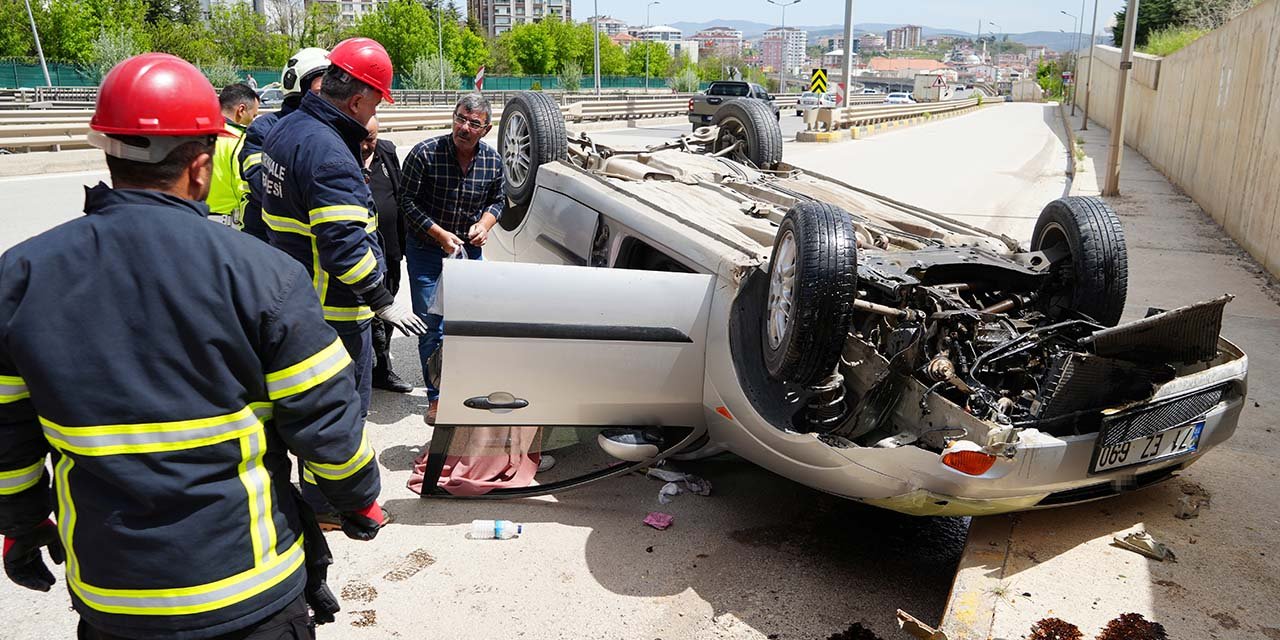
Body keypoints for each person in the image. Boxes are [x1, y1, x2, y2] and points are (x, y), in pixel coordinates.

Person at [0, 53, 384, 640]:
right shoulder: (266, 277)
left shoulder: (20, 277)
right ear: (201, 168)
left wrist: (22, 526)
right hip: (249, 589)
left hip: (113, 595)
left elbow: (9, 443)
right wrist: (357, 500)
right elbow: (326, 423)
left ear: (109, 151)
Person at [398, 94, 504, 423]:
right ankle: (438, 397)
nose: (464, 127)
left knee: (470, 323)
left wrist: (484, 225)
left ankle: (466, 387)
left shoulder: (492, 161)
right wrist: (440, 235)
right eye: (460, 118)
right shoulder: (424, 153)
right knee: (432, 324)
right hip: (427, 250)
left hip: (468, 253)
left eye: (474, 123)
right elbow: (407, 203)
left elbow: (499, 201)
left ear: (485, 130)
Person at [239, 47, 330, 242]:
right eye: (322, 90)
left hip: (318, 251)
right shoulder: (264, 129)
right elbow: (261, 185)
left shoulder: (332, 132)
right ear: (298, 86)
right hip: (268, 244)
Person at [360, 115, 414, 393]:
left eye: (372, 138)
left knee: (387, 311)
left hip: (390, 249)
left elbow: (400, 193)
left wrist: (402, 245)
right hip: (360, 254)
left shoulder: (387, 151)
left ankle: (383, 368)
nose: (368, 145)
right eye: (364, 138)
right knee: (363, 314)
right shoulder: (342, 156)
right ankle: (360, 374)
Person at [207, 82, 259, 226]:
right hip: (229, 225)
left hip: (194, 219)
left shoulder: (196, 134)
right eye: (253, 115)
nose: (253, 121)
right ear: (241, 110)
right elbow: (246, 188)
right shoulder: (241, 141)